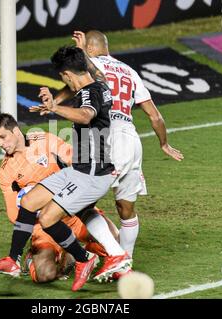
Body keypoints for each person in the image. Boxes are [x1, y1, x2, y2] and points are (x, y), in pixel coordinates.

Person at [0, 46, 131, 292]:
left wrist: (55, 108)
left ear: (67, 74)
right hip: (79, 169)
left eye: (62, 77)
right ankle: (12, 261)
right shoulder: (97, 84)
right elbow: (80, 79)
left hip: (90, 172)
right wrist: (56, 100)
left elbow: (87, 115)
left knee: (47, 218)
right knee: (30, 203)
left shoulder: (89, 95)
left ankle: (89, 259)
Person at [68, 30, 184, 278]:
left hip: (107, 136)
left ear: (89, 48)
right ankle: (125, 263)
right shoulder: (129, 71)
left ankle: (114, 256)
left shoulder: (89, 66)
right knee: (125, 208)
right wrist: (164, 144)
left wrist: (78, 55)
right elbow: (155, 116)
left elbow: (80, 87)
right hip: (131, 139)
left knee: (82, 203)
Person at [0, 113, 119, 283]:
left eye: (3, 137)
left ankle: (74, 252)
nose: (1, 144)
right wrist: (42, 206)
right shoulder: (6, 171)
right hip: (43, 227)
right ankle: (37, 257)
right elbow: (13, 214)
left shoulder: (45, 140)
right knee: (45, 274)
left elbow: (74, 160)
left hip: (73, 214)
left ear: (16, 131)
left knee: (113, 237)